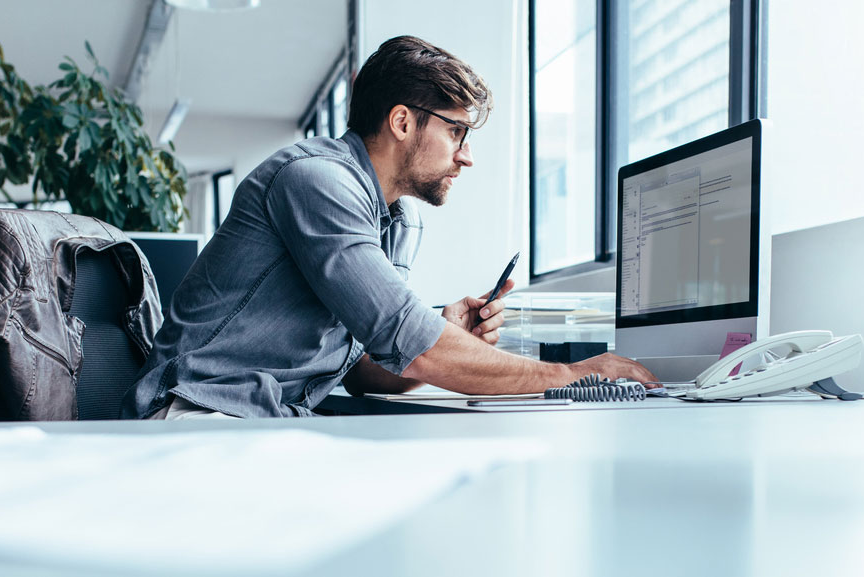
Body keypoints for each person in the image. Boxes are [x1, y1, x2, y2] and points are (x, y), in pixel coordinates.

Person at [120, 35, 656, 420]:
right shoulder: (315, 181)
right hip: (198, 413)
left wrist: (446, 329)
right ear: (402, 121)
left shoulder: (398, 218)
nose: (466, 156)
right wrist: (576, 377)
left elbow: (360, 371)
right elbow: (412, 341)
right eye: (457, 131)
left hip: (271, 420)